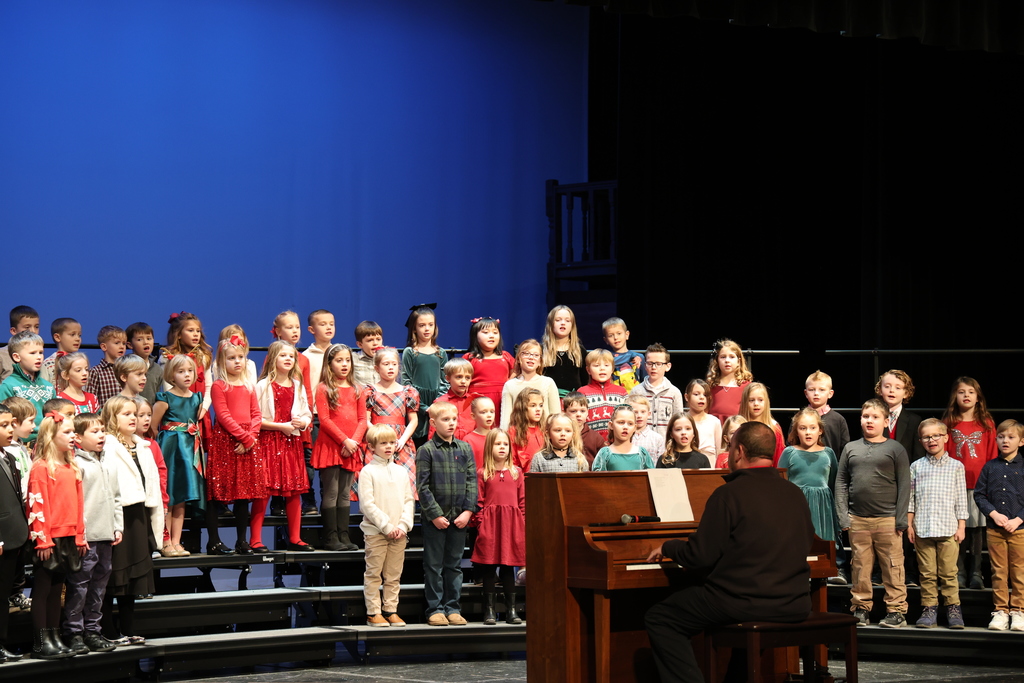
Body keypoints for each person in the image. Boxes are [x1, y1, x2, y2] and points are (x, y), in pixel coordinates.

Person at [644, 421, 814, 683]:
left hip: (743, 601)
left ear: (739, 452)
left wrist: (668, 546)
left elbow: (699, 556)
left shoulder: (728, 494)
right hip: (793, 600)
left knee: (662, 618)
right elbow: (806, 544)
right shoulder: (794, 493)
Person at [836, 398, 911, 627]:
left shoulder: (895, 448)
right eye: (866, 416)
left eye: (875, 417)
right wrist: (843, 515)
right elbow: (841, 482)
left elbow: (905, 484)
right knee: (860, 566)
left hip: (888, 519)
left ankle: (896, 610)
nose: (870, 421)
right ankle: (860, 607)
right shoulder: (851, 448)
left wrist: (900, 518)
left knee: (892, 566)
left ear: (886, 421)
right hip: (858, 519)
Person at [99, 397, 162, 647]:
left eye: (134, 413)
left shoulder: (143, 446)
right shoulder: (107, 446)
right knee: (113, 576)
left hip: (140, 516)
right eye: (126, 414)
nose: (133, 418)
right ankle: (107, 628)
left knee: (134, 577)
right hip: (119, 516)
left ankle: (127, 627)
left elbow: (152, 483)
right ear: (113, 418)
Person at [27, 412, 87, 659]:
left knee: (57, 590)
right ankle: (41, 642)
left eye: (74, 432)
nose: (73, 436)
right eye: (67, 432)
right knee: (42, 590)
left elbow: (79, 503)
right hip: (48, 539)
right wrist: (42, 539)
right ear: (51, 436)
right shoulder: (41, 468)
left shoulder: (71, 466)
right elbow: (36, 506)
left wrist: (80, 535)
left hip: (69, 537)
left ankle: (54, 636)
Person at [64, 412, 121, 654]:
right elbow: (74, 503)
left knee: (99, 587)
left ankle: (93, 630)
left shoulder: (108, 460)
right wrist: (80, 532)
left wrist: (117, 525)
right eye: (94, 431)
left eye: (102, 430)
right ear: (77, 437)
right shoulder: (76, 463)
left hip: (106, 534)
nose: (101, 435)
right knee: (79, 587)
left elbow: (116, 497)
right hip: (85, 538)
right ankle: (73, 633)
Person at [416, 402, 477, 626]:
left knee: (454, 565)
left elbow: (472, 481)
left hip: (459, 519)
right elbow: (422, 487)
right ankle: (435, 609)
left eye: (453, 419)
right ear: (433, 423)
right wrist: (434, 515)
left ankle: (453, 607)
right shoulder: (426, 451)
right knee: (434, 565)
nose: (451, 423)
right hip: (436, 520)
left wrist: (468, 511)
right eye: (445, 419)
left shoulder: (464, 449)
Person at [252, 341, 313, 552]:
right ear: (273, 360)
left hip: (291, 443)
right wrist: (280, 426)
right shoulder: (262, 386)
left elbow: (306, 413)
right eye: (283, 355)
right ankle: (256, 539)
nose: (288, 359)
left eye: (291, 356)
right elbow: (255, 419)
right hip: (269, 442)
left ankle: (295, 538)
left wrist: (302, 423)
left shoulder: (298, 385)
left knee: (294, 490)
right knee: (264, 491)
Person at [206, 337, 263, 556]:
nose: (237, 362)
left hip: (247, 442)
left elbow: (256, 413)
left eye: (240, 357)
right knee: (216, 491)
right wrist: (244, 437)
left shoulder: (249, 385)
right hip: (227, 442)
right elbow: (223, 415)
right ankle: (213, 541)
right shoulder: (220, 386)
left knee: (243, 494)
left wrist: (251, 437)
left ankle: (242, 541)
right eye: (231, 358)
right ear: (221, 362)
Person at [908, 418, 967, 629]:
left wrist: (961, 526)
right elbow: (911, 499)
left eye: (936, 435)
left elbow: (961, 498)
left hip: (948, 528)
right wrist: (909, 525)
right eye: (926, 436)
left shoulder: (956, 467)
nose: (931, 440)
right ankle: (929, 608)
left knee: (949, 573)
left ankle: (953, 608)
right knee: (927, 573)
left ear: (945, 438)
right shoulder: (916, 466)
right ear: (921, 440)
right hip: (923, 528)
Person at [942, 376, 997, 589]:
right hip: (954, 485)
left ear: (978, 397)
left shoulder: (986, 423)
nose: (966, 396)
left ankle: (976, 573)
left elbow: (992, 455)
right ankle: (959, 572)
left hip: (979, 486)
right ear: (955, 396)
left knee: (976, 530)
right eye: (961, 392)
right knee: (958, 530)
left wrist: (989, 484)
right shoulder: (948, 422)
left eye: (971, 392)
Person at [359, 424, 415, 627]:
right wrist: (387, 526)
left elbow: (409, 500)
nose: (389, 446)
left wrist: (402, 525)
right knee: (374, 574)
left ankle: (391, 609)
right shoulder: (368, 471)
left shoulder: (401, 471)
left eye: (392, 442)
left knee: (393, 575)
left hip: (399, 533)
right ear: (372, 446)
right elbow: (367, 504)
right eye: (383, 443)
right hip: (376, 533)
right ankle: (373, 612)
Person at [313, 344, 366, 551]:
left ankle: (344, 536)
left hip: (351, 447)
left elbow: (362, 419)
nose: (344, 364)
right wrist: (345, 440)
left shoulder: (357, 389)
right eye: (339, 360)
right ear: (329, 364)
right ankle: (330, 537)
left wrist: (354, 442)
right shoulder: (324, 388)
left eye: (347, 360)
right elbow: (324, 420)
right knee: (332, 491)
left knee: (345, 493)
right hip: (332, 446)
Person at [973, 420, 1024, 631]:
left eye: (1011, 437)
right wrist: (994, 513)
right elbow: (979, 494)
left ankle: (1019, 611)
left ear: (1021, 441)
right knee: (999, 571)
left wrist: (1018, 519)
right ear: (996, 439)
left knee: (1019, 572)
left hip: (1019, 530)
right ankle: (1001, 611)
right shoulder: (990, 466)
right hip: (995, 529)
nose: (1005, 441)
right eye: (1002, 437)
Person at [472, 428, 525, 625]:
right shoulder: (483, 473)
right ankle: (490, 611)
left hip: (511, 526)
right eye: (497, 444)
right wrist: (481, 523)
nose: (502, 447)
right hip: (490, 526)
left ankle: (511, 610)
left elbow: (522, 502)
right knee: (489, 568)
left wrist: (522, 525)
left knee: (507, 567)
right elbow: (478, 501)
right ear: (489, 447)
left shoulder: (516, 473)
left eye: (505, 444)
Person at [154, 354, 204, 557]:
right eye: (180, 371)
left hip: (188, 450)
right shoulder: (165, 398)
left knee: (181, 497)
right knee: (169, 496)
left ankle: (176, 540)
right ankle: (165, 540)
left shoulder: (196, 398)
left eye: (189, 371)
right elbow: (152, 426)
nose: (186, 375)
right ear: (171, 375)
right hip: (171, 449)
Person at [268, 311, 316, 515]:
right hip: (279, 423)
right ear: (278, 332)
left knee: (305, 461)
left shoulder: (303, 359)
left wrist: (309, 417)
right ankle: (278, 501)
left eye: (297, 327)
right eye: (289, 327)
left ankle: (308, 499)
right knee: (279, 461)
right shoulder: (273, 356)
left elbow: (307, 390)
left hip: (298, 422)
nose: (295, 331)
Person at [777, 408, 841, 544]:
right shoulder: (789, 452)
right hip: (797, 506)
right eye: (803, 428)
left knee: (823, 546)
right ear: (796, 431)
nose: (808, 432)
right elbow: (781, 483)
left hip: (823, 507)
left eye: (812, 428)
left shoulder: (828, 453)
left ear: (820, 430)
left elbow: (833, 482)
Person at [363, 348, 420, 499]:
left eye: (394, 364)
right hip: (378, 440)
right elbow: (365, 419)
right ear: (377, 368)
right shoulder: (371, 391)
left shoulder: (408, 392)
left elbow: (413, 420)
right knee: (378, 483)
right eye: (386, 364)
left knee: (405, 483)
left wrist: (402, 440)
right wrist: (378, 435)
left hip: (401, 442)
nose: (390, 367)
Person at [0, 403, 28, 662]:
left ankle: (2, 645)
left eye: (11, 424)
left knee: (4, 595)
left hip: (13, 536)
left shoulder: (8, 456)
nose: (10, 429)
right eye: (3, 425)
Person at [401, 304, 448, 446]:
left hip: (436, 403)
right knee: (419, 441)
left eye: (430, 325)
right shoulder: (410, 352)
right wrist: (422, 406)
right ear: (414, 328)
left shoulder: (441, 353)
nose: (427, 329)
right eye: (422, 325)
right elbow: (406, 381)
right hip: (417, 404)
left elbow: (445, 381)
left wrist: (436, 404)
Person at [0, 331, 55, 440]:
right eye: (33, 353)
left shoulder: (48, 386)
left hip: (46, 442)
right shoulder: (8, 386)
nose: (39, 357)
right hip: (20, 443)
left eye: (41, 352)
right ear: (17, 357)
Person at [462, 317, 514, 426]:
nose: (491, 335)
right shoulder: (470, 358)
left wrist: (508, 383)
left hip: (502, 402)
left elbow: (516, 371)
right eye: (486, 332)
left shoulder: (505, 356)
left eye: (495, 332)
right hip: (479, 402)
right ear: (475, 335)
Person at [499, 338, 559, 430]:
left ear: (540, 361)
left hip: (543, 436)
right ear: (518, 358)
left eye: (536, 355)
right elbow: (505, 421)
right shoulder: (510, 385)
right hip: (518, 437)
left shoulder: (548, 383)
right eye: (526, 354)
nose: (531, 357)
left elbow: (556, 416)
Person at [629, 343, 685, 436]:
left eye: (658, 364)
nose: (654, 367)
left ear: (668, 366)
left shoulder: (674, 392)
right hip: (641, 444)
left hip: (666, 445)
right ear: (645, 365)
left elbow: (678, 422)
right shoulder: (636, 391)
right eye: (650, 363)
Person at [578, 349, 628, 439]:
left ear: (612, 369)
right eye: (596, 365)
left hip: (616, 443)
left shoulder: (621, 392)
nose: (602, 368)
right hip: (590, 443)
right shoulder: (582, 392)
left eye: (606, 365)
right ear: (588, 370)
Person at [540, 305, 587, 397]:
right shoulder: (542, 350)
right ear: (550, 324)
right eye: (558, 320)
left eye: (567, 320)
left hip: (573, 403)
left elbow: (585, 380)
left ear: (572, 325)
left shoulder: (580, 351)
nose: (563, 323)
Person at [592, 405, 654, 471]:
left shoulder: (642, 453)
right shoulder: (604, 454)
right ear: (611, 425)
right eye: (621, 422)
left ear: (634, 428)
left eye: (630, 424)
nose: (625, 427)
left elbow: (652, 477)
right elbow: (597, 479)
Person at [706, 338, 752, 423]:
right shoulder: (710, 387)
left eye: (731, 357)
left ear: (739, 361)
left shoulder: (746, 387)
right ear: (717, 360)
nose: (727, 361)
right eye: (723, 357)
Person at [804, 370, 850, 455]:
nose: (816, 393)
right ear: (806, 393)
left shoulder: (838, 419)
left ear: (830, 393)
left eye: (822, 390)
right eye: (812, 390)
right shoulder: (800, 418)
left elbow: (845, 448)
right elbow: (792, 444)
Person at [739, 382, 784, 464]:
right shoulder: (739, 427)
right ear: (745, 402)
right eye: (751, 400)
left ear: (766, 402)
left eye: (760, 400)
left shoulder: (774, 428)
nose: (756, 404)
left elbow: (779, 458)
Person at [85, 326, 127, 408]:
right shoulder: (96, 372)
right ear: (104, 347)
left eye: (124, 343)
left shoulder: (127, 370)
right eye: (117, 343)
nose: (122, 346)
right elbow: (91, 399)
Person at [507, 388, 546, 472]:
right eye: (533, 405)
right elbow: (511, 460)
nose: (538, 409)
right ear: (522, 408)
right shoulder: (514, 431)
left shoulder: (545, 430)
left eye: (541, 405)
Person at [602, 316, 645, 390]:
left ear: (627, 335)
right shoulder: (605, 358)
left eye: (619, 333)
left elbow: (645, 380)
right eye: (611, 335)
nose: (616, 338)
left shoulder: (639, 357)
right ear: (606, 340)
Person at [125, 322, 163, 406]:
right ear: (130, 345)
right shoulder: (125, 366)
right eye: (139, 339)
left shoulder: (157, 369)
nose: (146, 342)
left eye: (149, 338)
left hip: (149, 414)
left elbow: (157, 393)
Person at [683, 379, 721, 462]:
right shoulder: (682, 421)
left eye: (705, 395)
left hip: (710, 464)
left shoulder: (714, 422)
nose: (701, 398)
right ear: (687, 397)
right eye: (696, 394)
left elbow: (719, 450)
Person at [0, 305, 40, 382]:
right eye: (27, 327)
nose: (33, 331)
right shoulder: (2, 355)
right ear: (14, 331)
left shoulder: (38, 355)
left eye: (36, 327)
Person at [565, 390, 604, 465]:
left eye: (582, 411)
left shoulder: (596, 438)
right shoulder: (562, 435)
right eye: (573, 411)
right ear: (564, 412)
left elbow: (603, 463)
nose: (578, 414)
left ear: (587, 412)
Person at [41, 317, 82, 385]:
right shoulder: (48, 364)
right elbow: (43, 387)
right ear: (57, 337)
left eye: (79, 335)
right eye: (72, 334)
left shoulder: (80, 363)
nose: (77, 339)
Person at [630, 395, 665, 462]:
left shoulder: (657, 438)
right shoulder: (624, 437)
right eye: (635, 412)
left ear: (649, 414)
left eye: (643, 412)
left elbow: (661, 464)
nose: (639, 416)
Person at [352, 320, 384, 387]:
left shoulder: (387, 358)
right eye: (370, 340)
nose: (375, 343)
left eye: (378, 339)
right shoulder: (353, 359)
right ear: (360, 344)